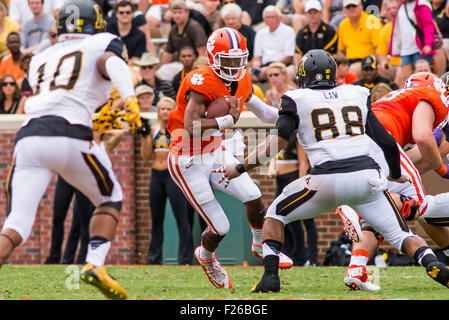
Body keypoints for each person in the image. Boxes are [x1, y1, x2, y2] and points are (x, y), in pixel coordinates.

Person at [215, 49, 449, 293]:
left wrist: (240, 167)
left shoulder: (295, 98)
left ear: (304, 75)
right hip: (367, 178)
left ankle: (270, 278)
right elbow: (387, 142)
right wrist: (393, 171)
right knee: (401, 235)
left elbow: (277, 142)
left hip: (326, 179)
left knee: (275, 213)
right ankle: (431, 262)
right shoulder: (356, 93)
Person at [0, 0, 143, 300]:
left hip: (29, 137)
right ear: (96, 24)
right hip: (69, 133)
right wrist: (130, 101)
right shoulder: (103, 42)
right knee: (110, 197)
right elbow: (111, 63)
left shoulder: (41, 56)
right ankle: (95, 264)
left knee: (16, 225)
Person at [166, 27, 292, 289]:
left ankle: (259, 244)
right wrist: (227, 121)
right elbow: (191, 126)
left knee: (254, 197)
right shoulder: (201, 81)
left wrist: (292, 116)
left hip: (214, 150)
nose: (235, 66)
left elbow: (265, 114)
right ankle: (207, 256)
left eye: (239, 60)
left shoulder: (242, 79)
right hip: (187, 159)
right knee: (220, 226)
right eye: (229, 61)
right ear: (213, 57)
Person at [338, 71, 449, 290]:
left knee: (376, 219)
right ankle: (356, 209)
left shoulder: (399, 100)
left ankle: (356, 268)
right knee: (419, 204)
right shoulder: (432, 98)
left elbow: (418, 152)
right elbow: (426, 138)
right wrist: (443, 170)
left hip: (356, 140)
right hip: (381, 141)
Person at [45, 129, 125, 265]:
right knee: (58, 217)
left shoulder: (101, 146)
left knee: (85, 220)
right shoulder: (77, 138)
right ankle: (54, 257)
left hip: (85, 178)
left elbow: (120, 133)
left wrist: (102, 131)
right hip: (66, 177)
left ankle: (83, 258)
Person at [140, 96, 194, 265]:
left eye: (168, 108)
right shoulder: (153, 130)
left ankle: (185, 259)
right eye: (162, 109)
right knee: (156, 219)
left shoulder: (179, 129)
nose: (165, 111)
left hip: (174, 176)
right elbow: (146, 157)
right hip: (156, 175)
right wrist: (144, 137)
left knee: (182, 219)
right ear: (158, 112)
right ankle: (154, 259)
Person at [267, 131, 318, 266]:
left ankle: (306, 258)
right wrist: (272, 168)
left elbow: (303, 163)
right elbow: (273, 156)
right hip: (281, 179)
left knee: (304, 220)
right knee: (280, 217)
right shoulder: (279, 133)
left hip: (293, 178)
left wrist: (302, 185)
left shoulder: (298, 136)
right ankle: (288, 253)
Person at [389, 0, 436, 87]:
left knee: (422, 79)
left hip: (419, 48)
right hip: (405, 50)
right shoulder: (400, 6)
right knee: (406, 81)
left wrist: (428, 44)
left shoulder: (422, 5)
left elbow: (428, 26)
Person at [337, 0, 382, 78]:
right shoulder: (343, 25)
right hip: (349, 61)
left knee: (352, 70)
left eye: (354, 6)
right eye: (348, 7)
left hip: (367, 61)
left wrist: (378, 62)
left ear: (361, 6)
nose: (351, 9)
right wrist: (342, 65)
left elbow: (379, 47)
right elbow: (341, 51)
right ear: (344, 9)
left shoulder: (371, 20)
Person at [251, 5, 296, 82]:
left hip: (283, 65)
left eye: (273, 17)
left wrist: (271, 68)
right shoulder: (260, 33)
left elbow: (289, 57)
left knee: (283, 73)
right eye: (268, 17)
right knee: (248, 74)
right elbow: (257, 57)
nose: (271, 20)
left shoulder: (288, 31)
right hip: (264, 66)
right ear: (264, 20)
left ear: (279, 18)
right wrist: (257, 68)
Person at [161, 0, 208, 64]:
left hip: (195, 65)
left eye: (180, 12)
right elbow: (167, 54)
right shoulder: (173, 29)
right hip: (180, 65)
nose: (177, 15)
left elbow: (202, 54)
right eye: (175, 12)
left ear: (187, 13)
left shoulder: (194, 27)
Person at [294, 0, 338, 66]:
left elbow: (329, 54)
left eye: (315, 12)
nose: (312, 15)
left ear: (320, 13)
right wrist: (298, 69)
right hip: (306, 67)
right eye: (310, 13)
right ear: (306, 14)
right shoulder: (302, 33)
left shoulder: (329, 31)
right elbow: (297, 54)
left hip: (324, 67)